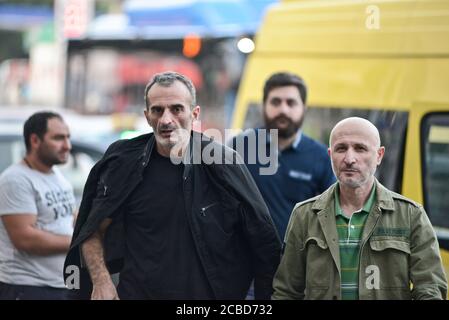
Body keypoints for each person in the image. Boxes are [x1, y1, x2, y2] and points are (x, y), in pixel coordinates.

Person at [63, 71, 281, 300]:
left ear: (194, 114)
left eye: (177, 109)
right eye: (157, 110)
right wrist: (101, 281)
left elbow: (264, 242)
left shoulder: (223, 164)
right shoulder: (124, 163)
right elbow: (92, 229)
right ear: (147, 116)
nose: (166, 120)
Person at [272, 117, 448, 300]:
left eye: (360, 148)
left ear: (379, 155)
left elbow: (430, 288)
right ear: (330, 154)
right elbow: (286, 292)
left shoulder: (411, 215)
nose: (349, 159)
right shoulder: (305, 215)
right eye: (341, 149)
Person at [229, 72, 335, 240]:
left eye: (291, 103)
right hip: (244, 260)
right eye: (276, 102)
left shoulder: (322, 157)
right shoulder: (238, 148)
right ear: (264, 106)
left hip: (298, 261)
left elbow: (331, 217)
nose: (283, 109)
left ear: (304, 108)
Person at [0, 111, 75, 300]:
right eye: (58, 138)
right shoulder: (15, 179)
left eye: (68, 137)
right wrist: (79, 241)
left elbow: (66, 218)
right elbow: (26, 239)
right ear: (35, 140)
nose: (67, 146)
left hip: (60, 283)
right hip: (27, 287)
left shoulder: (56, 175)